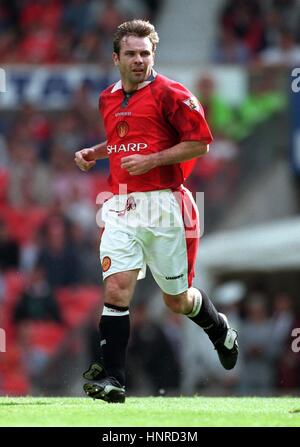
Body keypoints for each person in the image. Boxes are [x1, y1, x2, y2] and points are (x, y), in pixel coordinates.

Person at [74, 19, 238, 404]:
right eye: (130, 53)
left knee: (175, 301)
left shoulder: (171, 93)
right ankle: (113, 379)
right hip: (121, 205)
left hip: (166, 206)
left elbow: (200, 144)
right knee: (116, 288)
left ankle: (219, 329)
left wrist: (153, 161)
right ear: (116, 58)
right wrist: (94, 153)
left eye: (145, 53)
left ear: (153, 55)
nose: (138, 60)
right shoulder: (108, 98)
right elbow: (120, 140)